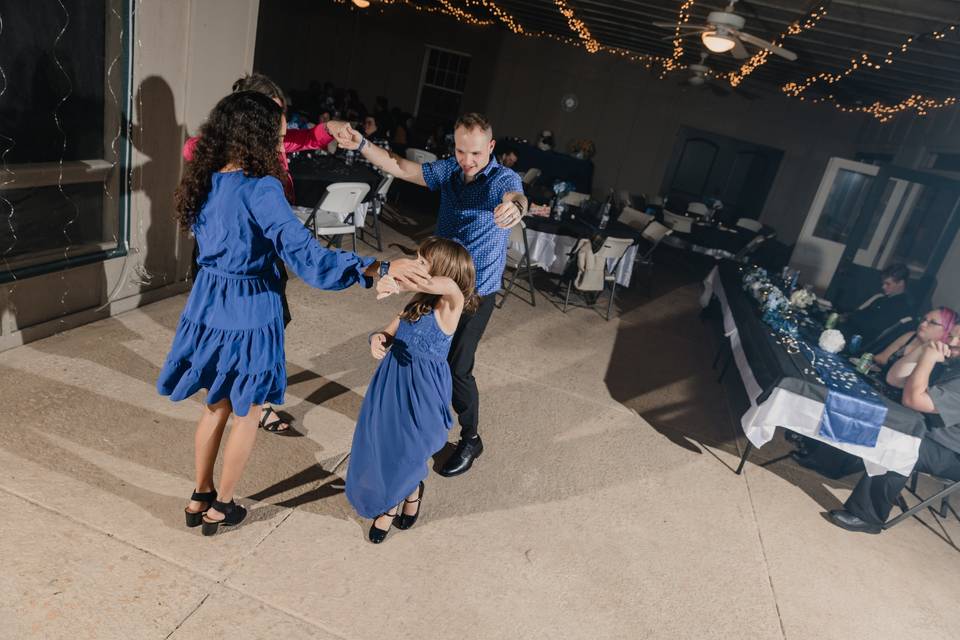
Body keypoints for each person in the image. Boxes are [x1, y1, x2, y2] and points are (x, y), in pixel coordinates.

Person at [160, 91, 429, 535]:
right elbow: (309, 258)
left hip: (208, 301)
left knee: (215, 406)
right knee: (246, 411)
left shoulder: (207, 175)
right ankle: (222, 506)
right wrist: (376, 267)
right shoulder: (260, 186)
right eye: (278, 135)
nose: (283, 143)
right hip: (250, 305)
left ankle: (200, 495)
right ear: (259, 137)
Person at [335, 112, 527, 477]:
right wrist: (362, 144)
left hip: (475, 292)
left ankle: (471, 437)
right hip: (434, 279)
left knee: (456, 368)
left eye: (475, 153)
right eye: (460, 151)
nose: (467, 161)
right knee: (410, 343)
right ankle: (420, 424)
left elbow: (516, 196)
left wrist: (515, 208)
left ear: (490, 147)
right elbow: (401, 167)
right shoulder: (449, 172)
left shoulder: (501, 178)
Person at [183, 73, 354, 434]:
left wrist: (332, 128)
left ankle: (251, 396)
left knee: (273, 321)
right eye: (274, 116)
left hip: (264, 251)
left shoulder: (275, 144)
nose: (282, 127)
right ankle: (234, 396)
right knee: (225, 326)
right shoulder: (224, 153)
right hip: (229, 254)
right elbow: (194, 148)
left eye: (283, 117)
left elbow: (307, 137)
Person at [346, 237, 479, 543]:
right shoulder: (415, 305)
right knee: (388, 445)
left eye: (423, 261)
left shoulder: (452, 302)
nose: (415, 264)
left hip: (423, 391)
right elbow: (386, 332)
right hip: (392, 383)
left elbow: (445, 285)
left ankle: (389, 507)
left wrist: (399, 280)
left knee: (410, 450)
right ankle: (411, 490)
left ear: (442, 269)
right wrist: (376, 340)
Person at [791, 307, 958, 479]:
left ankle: (828, 460)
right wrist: (921, 350)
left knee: (862, 405)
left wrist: (927, 354)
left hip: (902, 405)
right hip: (885, 386)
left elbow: (907, 392)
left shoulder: (942, 361)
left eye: (932, 322)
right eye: (924, 318)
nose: (923, 324)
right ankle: (812, 440)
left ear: (945, 330)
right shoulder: (914, 339)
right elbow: (888, 369)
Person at [828, 323, 960, 533]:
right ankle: (831, 465)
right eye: (951, 336)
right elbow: (895, 379)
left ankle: (867, 516)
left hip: (952, 454)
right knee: (876, 412)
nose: (952, 343)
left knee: (902, 442)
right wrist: (923, 350)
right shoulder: (955, 362)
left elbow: (912, 399)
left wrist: (927, 359)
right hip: (928, 429)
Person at [840, 263, 915, 347]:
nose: (883, 287)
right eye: (883, 283)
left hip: (860, 341)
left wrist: (850, 317)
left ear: (901, 283)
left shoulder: (901, 307)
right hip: (851, 331)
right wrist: (848, 315)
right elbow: (861, 313)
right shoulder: (881, 299)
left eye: (888, 284)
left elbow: (874, 328)